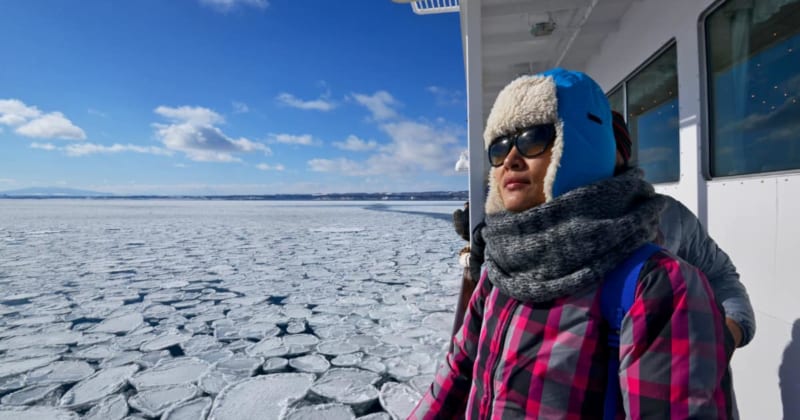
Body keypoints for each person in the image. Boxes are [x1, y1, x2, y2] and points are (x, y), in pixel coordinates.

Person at [412, 68, 733, 418]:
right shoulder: (501, 267)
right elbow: (458, 371)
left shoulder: (656, 285)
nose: (511, 159)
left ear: (584, 146)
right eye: (499, 147)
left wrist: (735, 326)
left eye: (532, 138)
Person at [610, 110, 754, 349]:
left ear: (622, 155)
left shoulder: (671, 215)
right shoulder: (531, 226)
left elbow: (720, 275)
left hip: (676, 379)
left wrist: (728, 336)